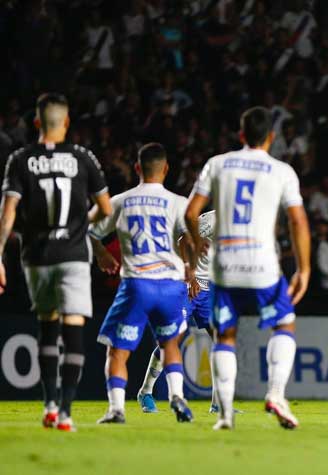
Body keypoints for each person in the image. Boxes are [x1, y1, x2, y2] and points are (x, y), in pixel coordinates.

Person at [185, 106, 310, 430]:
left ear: (240, 135)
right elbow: (297, 220)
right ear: (271, 137)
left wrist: (199, 244)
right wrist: (304, 269)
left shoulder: (218, 164)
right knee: (284, 324)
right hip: (263, 266)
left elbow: (191, 213)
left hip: (224, 269)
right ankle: (276, 394)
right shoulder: (282, 171)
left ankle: (225, 413)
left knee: (224, 335)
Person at [0, 93, 112, 432]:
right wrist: (83, 223)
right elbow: (106, 209)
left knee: (47, 327)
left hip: (37, 257)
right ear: (66, 123)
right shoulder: (83, 158)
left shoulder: (20, 160)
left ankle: (48, 405)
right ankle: (66, 412)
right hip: (74, 255)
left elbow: (7, 214)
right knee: (73, 327)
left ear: (36, 123)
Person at [89, 143, 194, 424]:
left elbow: (89, 231)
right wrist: (190, 267)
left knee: (117, 351)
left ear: (137, 168)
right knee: (170, 345)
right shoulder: (178, 202)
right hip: (171, 285)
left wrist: (100, 254)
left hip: (137, 283)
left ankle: (116, 410)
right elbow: (191, 239)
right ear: (166, 169)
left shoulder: (119, 202)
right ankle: (177, 397)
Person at [136, 210, 219, 414]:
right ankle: (145, 392)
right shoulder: (213, 219)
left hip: (210, 288)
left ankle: (219, 403)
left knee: (222, 342)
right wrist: (188, 274)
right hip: (187, 285)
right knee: (171, 339)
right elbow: (183, 240)